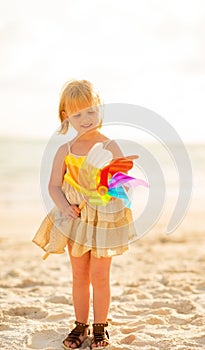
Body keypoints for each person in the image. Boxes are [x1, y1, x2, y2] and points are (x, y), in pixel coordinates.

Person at [33, 80, 136, 349]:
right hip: (76, 219)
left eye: (90, 111)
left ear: (99, 109)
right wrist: (65, 206)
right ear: (66, 116)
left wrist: (111, 188)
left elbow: (122, 183)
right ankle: (80, 325)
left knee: (101, 275)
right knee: (79, 274)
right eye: (77, 114)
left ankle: (100, 328)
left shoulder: (110, 146)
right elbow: (54, 185)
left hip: (103, 219)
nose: (86, 119)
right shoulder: (64, 151)